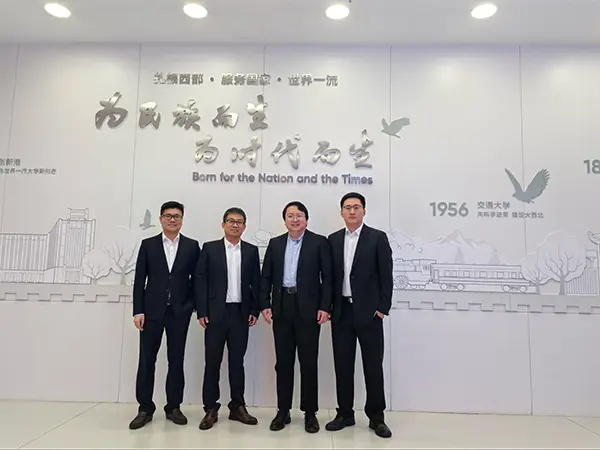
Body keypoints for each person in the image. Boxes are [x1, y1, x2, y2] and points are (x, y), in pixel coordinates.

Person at [260, 201, 332, 433]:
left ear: (306, 219)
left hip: (309, 310)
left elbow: (328, 278)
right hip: (282, 308)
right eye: (290, 216)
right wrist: (265, 304)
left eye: (299, 215)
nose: (294, 219)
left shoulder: (319, 242)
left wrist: (325, 307)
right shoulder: (275, 243)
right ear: (285, 221)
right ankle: (283, 411)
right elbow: (266, 277)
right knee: (283, 363)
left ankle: (310, 413)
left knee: (309, 362)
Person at [325, 192, 393, 438]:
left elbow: (386, 275)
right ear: (341, 212)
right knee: (343, 366)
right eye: (347, 207)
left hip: (369, 313)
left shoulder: (377, 238)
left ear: (364, 211)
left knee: (372, 366)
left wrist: (382, 308)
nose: (352, 211)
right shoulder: (333, 240)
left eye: (356, 207)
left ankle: (376, 417)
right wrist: (328, 306)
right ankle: (345, 413)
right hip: (342, 312)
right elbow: (329, 278)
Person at [128, 201, 200, 430]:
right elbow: (140, 280)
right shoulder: (148, 245)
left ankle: (173, 407)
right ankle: (145, 408)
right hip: (151, 312)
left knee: (176, 361)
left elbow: (197, 280)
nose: (172, 220)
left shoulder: (191, 246)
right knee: (147, 360)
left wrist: (191, 305)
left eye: (176, 216)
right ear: (160, 219)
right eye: (168, 216)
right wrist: (138, 310)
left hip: (179, 312)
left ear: (182, 220)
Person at [196, 207, 261, 430]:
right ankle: (210, 409)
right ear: (223, 224)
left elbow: (256, 283)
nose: (235, 225)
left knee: (237, 362)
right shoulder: (210, 248)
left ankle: (237, 407)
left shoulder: (251, 251)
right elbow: (200, 281)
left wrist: (254, 310)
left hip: (240, 314)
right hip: (215, 314)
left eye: (239, 222)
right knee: (212, 363)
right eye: (231, 221)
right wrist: (202, 311)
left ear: (244, 226)